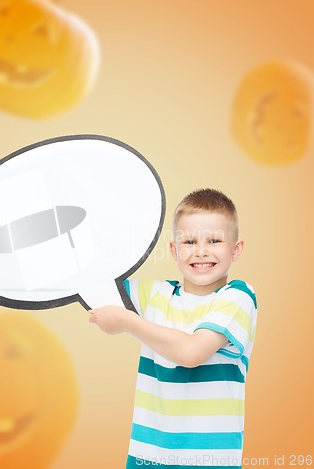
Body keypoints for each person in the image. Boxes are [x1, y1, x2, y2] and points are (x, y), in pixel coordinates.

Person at [88, 188, 257, 469]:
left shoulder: (238, 296)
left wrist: (127, 322)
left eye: (214, 240)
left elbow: (191, 353)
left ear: (236, 249)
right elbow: (98, 282)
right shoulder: (155, 294)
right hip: (147, 458)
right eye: (189, 241)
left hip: (210, 461)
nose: (201, 251)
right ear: (174, 250)